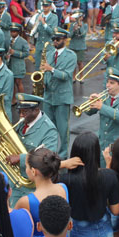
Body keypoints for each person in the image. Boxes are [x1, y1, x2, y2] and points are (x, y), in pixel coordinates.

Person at [15, 146, 67, 237]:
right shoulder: (63, 188)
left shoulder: (26, 201)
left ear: (33, 171)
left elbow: (18, 226)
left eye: (27, 167)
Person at [7, 94, 60, 203]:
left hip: (32, 187)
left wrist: (21, 158)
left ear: (36, 110)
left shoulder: (49, 130)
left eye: (24, 112)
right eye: (19, 111)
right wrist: (3, 141)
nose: (21, 115)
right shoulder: (25, 121)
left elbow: (47, 159)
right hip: (16, 181)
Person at [86, 69, 119, 166]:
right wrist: (91, 102)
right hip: (102, 142)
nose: (107, 85)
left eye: (111, 83)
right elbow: (89, 113)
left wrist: (101, 106)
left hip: (117, 145)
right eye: (107, 82)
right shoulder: (105, 97)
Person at [42, 28, 77, 158]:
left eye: (58, 39)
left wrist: (51, 69)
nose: (55, 42)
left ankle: (62, 155)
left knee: (63, 129)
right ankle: (49, 153)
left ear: (65, 40)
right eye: (53, 39)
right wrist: (43, 81)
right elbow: (45, 73)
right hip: (48, 96)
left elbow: (66, 76)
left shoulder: (71, 55)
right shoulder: (50, 54)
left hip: (62, 97)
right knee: (48, 128)